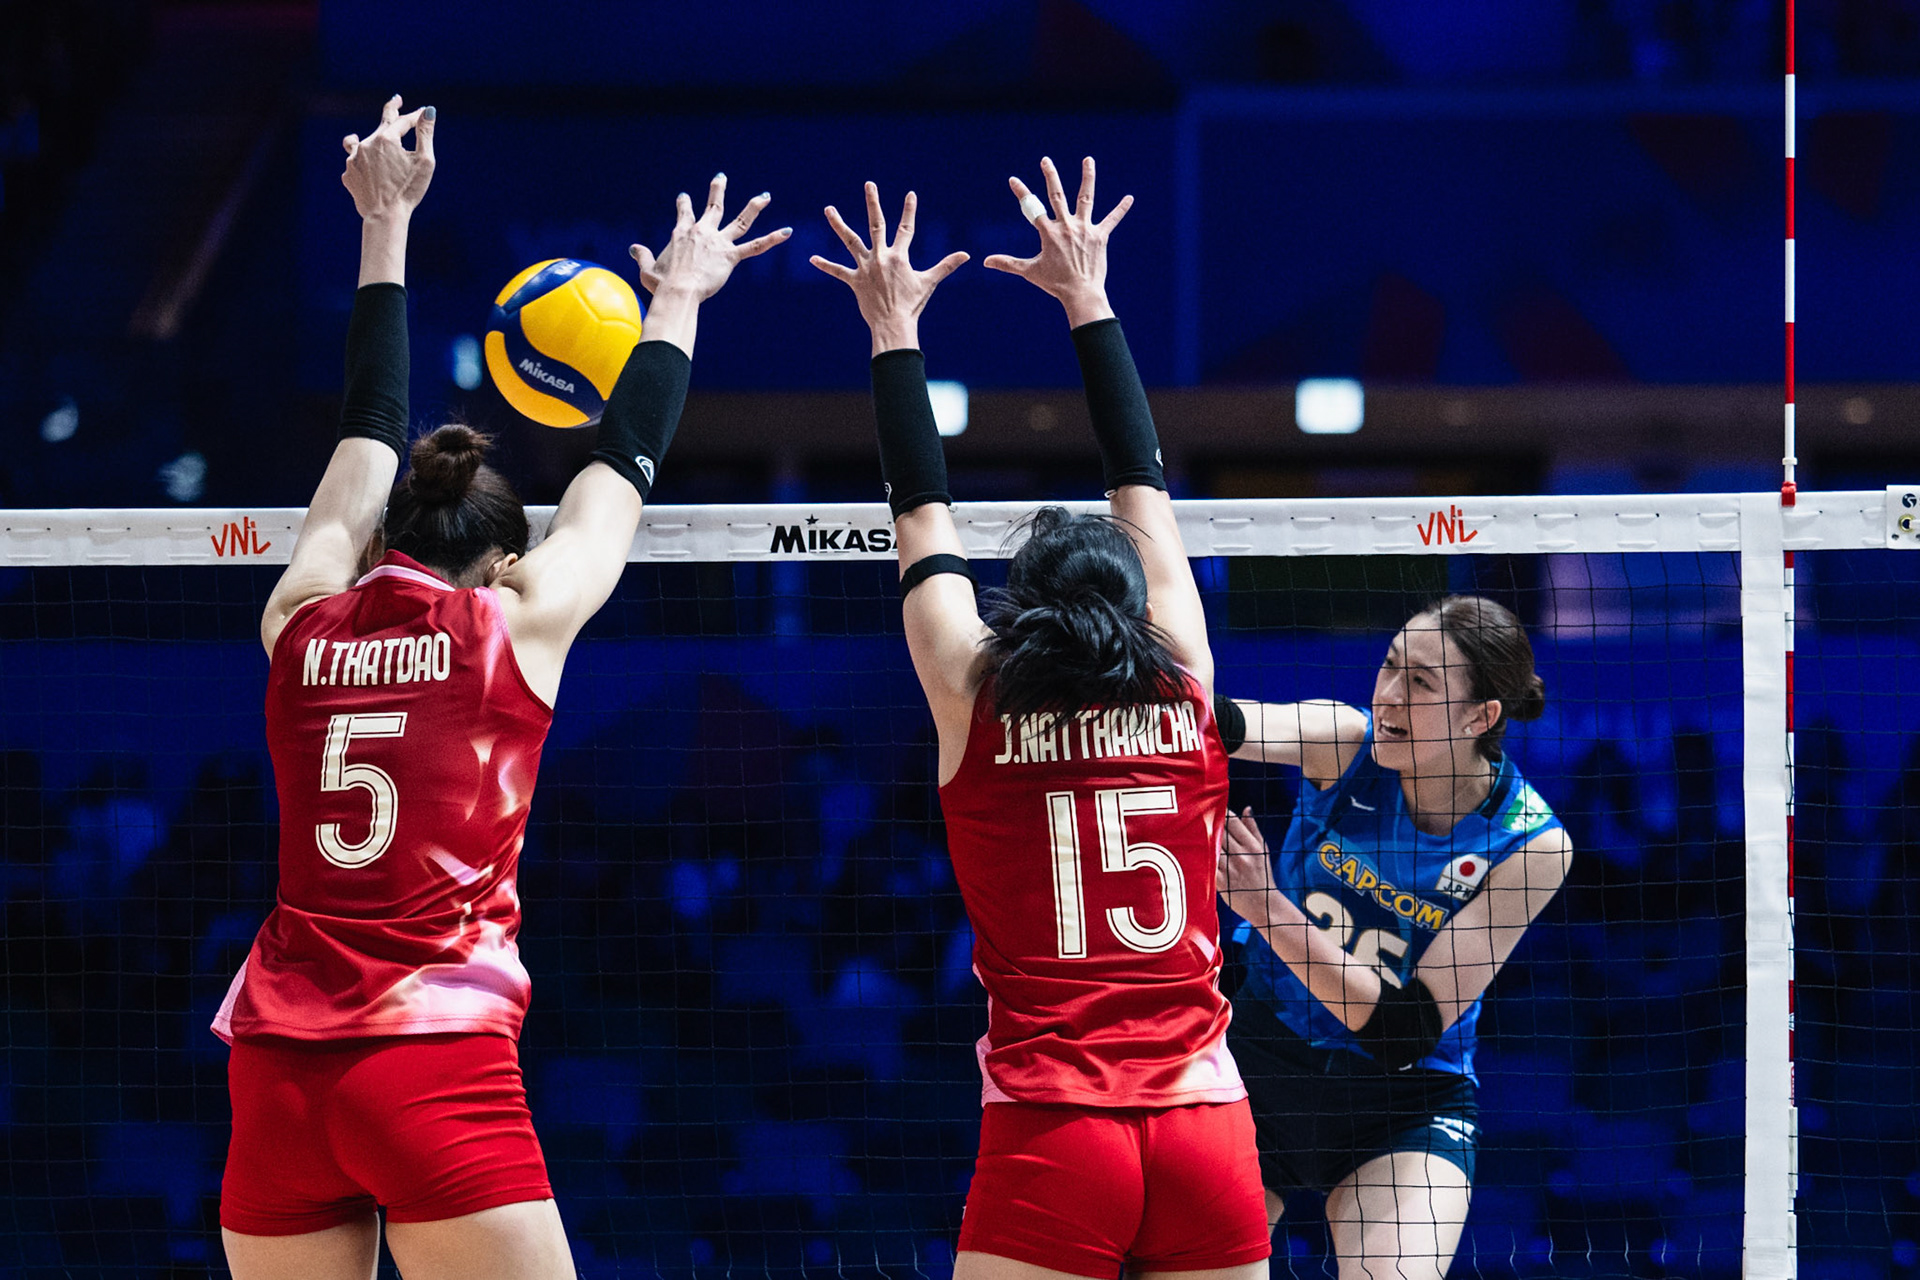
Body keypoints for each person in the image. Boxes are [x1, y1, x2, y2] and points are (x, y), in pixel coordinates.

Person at [212, 96, 789, 1280]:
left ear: (383, 546)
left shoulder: (299, 620)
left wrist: (384, 225)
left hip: (275, 1070)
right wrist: (678, 296)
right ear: (499, 559)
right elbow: (617, 472)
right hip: (431, 1063)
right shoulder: (510, 626)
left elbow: (366, 432)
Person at [810, 158, 1270, 1280]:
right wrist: (1088, 296)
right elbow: (1142, 482)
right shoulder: (1185, 682)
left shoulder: (972, 687)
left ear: (1024, 608)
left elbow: (921, 510)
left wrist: (892, 328)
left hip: (1055, 1125)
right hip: (1210, 1124)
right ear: (1133, 600)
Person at [1213, 596, 1575, 1280]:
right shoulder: (1343, 743)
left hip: (1404, 1101)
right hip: (1257, 1064)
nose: (1387, 696)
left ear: (1481, 716)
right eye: (1389, 666)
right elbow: (1214, 722)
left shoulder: (1531, 845)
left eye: (1420, 682)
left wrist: (1266, 908)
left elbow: (1401, 1029)